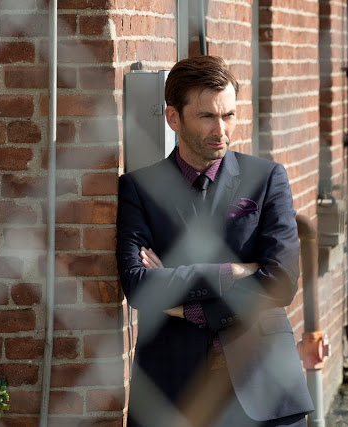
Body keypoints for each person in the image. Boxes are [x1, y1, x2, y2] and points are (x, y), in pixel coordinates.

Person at [116, 55, 314, 427]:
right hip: (171, 387)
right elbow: (139, 286)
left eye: (229, 115)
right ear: (173, 118)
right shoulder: (139, 189)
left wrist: (187, 307)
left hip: (264, 381)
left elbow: (282, 281)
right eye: (207, 116)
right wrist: (230, 273)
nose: (220, 129)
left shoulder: (267, 178)